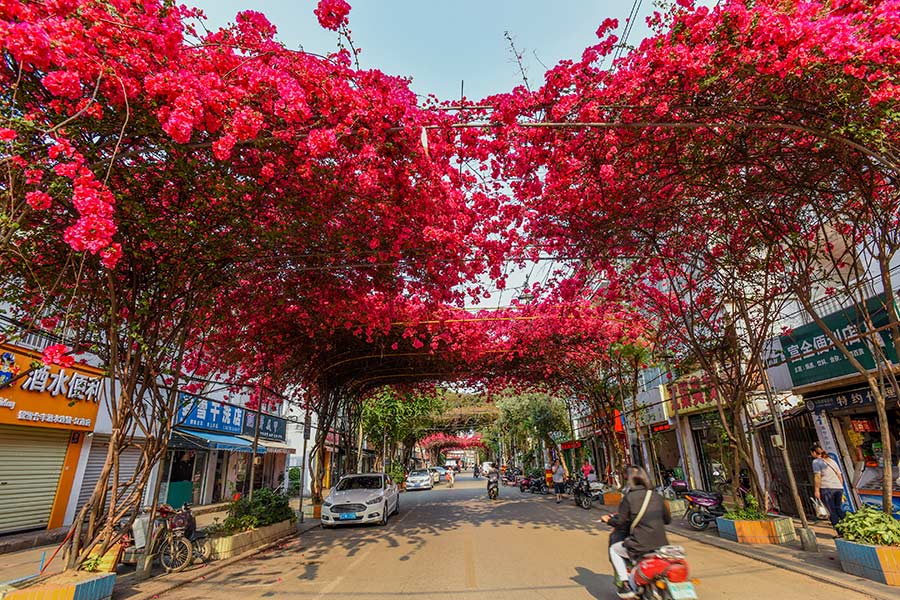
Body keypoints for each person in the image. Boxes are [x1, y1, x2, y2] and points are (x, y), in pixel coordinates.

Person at [600, 466, 671, 599]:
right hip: (661, 545)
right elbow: (667, 520)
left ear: (629, 481)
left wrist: (608, 520)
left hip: (640, 545)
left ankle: (626, 584)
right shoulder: (657, 496)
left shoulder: (629, 498)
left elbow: (621, 522)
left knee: (614, 550)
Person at [811, 444, 846, 529]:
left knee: (831, 511)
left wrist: (816, 490)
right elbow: (840, 476)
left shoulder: (816, 462)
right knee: (838, 509)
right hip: (838, 488)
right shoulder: (832, 461)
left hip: (827, 488)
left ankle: (840, 531)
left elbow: (817, 477)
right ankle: (848, 527)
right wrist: (840, 487)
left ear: (814, 453)